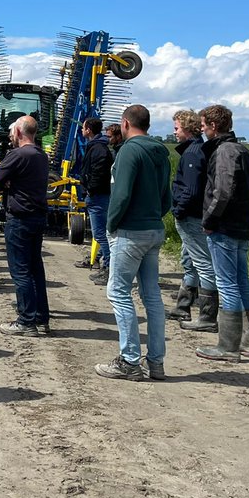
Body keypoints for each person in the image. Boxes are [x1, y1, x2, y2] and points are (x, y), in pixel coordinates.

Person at [95, 104, 172, 382]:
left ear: (125, 124)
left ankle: (129, 360)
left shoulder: (129, 151)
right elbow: (166, 197)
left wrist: (111, 224)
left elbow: (122, 194)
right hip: (153, 229)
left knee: (118, 292)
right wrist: (153, 216)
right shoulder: (161, 153)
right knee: (152, 296)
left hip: (129, 232)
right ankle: (156, 362)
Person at [195, 104, 249, 363]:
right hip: (243, 226)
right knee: (242, 282)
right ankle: (248, 344)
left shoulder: (223, 152)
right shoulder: (243, 150)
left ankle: (228, 347)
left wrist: (209, 220)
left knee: (227, 284)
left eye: (203, 125)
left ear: (213, 126)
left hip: (224, 227)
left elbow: (222, 192)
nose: (202, 130)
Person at [0, 115, 51, 336]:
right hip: (37, 216)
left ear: (17, 132)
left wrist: (10, 182)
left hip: (19, 217)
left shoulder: (17, 155)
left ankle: (26, 320)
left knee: (21, 271)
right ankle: (41, 317)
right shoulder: (41, 155)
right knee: (36, 270)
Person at [169, 109, 217, 331]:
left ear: (188, 129)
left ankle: (207, 317)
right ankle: (183, 306)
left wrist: (178, 210)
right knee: (190, 262)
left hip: (191, 216)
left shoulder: (192, 153)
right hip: (195, 215)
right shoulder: (199, 149)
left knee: (203, 264)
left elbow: (191, 190)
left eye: (177, 128)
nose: (174, 132)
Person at [77, 119, 114, 284]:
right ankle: (102, 262)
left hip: (98, 196)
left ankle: (109, 268)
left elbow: (99, 174)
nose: (81, 130)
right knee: (100, 232)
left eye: (83, 127)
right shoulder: (96, 146)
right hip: (97, 195)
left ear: (89, 130)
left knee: (100, 234)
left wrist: (90, 189)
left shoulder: (98, 149)